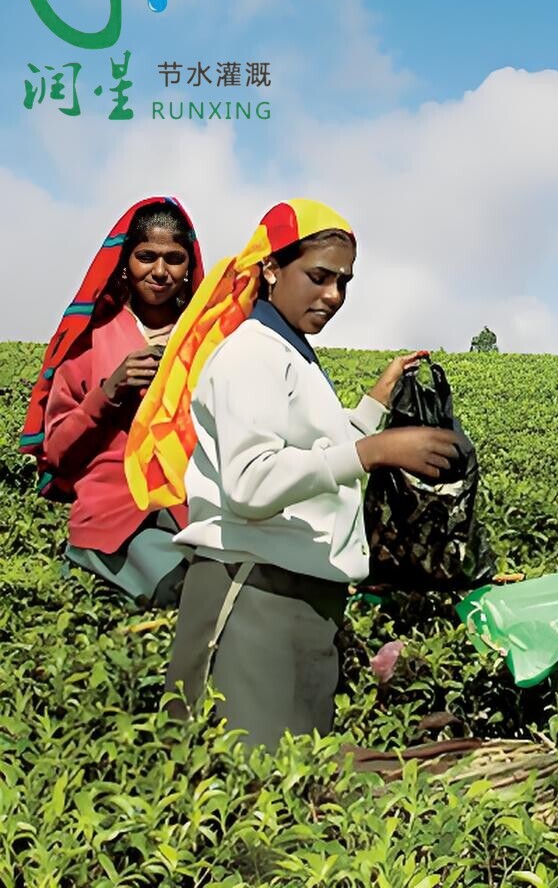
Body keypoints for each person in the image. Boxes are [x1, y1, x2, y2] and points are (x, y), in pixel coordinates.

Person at [129, 199, 463, 748]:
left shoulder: (292, 353)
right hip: (251, 593)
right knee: (241, 783)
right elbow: (251, 483)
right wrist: (373, 451)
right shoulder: (250, 355)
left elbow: (315, 452)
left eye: (344, 282)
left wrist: (374, 405)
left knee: (296, 786)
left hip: (299, 596)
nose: (333, 295)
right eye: (318, 276)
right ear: (270, 269)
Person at [18, 197, 204, 607]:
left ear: (190, 266)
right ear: (125, 262)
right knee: (189, 595)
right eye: (146, 257)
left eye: (174, 258)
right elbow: (58, 453)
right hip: (114, 518)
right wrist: (108, 393)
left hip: (195, 513)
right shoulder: (90, 341)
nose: (160, 272)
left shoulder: (205, 341)